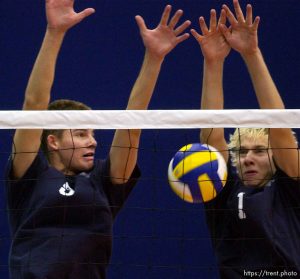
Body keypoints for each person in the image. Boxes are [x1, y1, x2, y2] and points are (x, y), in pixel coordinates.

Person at [5, 0, 191, 278]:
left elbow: (132, 126)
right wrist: (54, 33)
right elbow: (34, 106)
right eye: (81, 134)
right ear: (52, 141)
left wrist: (154, 59)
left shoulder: (104, 182)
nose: (92, 141)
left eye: (93, 134)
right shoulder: (28, 176)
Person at [191, 0, 300, 278]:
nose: (248, 157)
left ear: (275, 156)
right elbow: (212, 134)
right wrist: (213, 62)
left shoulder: (290, 190)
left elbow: (280, 127)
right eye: (241, 152)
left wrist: (252, 54)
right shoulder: (224, 193)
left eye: (259, 151)